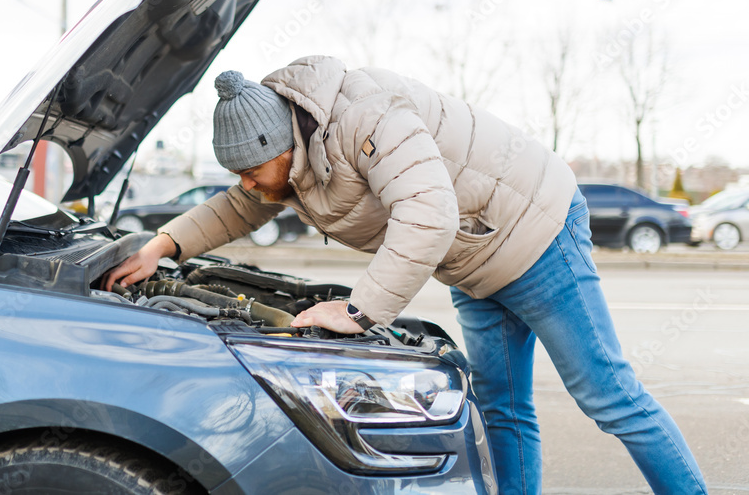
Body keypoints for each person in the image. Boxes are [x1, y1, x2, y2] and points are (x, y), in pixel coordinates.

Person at [103, 55, 707, 495]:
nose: (248, 184)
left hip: (536, 232)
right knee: (502, 407)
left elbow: (429, 213)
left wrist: (359, 311)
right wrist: (164, 245)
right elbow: (239, 207)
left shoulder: (365, 121)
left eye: (252, 169)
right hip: (473, 261)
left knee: (610, 398)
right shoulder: (289, 158)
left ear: (283, 141)